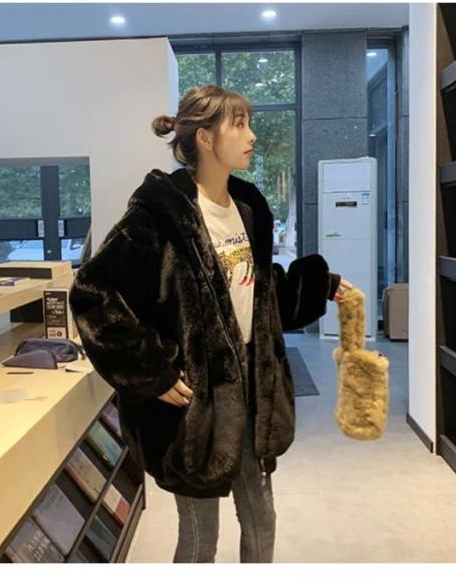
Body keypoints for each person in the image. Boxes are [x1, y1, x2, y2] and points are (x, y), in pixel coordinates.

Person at [69, 85, 353, 563]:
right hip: (195, 409)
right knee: (201, 537)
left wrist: (321, 284)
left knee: (261, 519)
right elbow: (94, 294)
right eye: (239, 125)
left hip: (253, 391)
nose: (252, 136)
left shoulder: (247, 207)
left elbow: (260, 294)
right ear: (204, 137)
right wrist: (154, 372)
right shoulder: (161, 215)